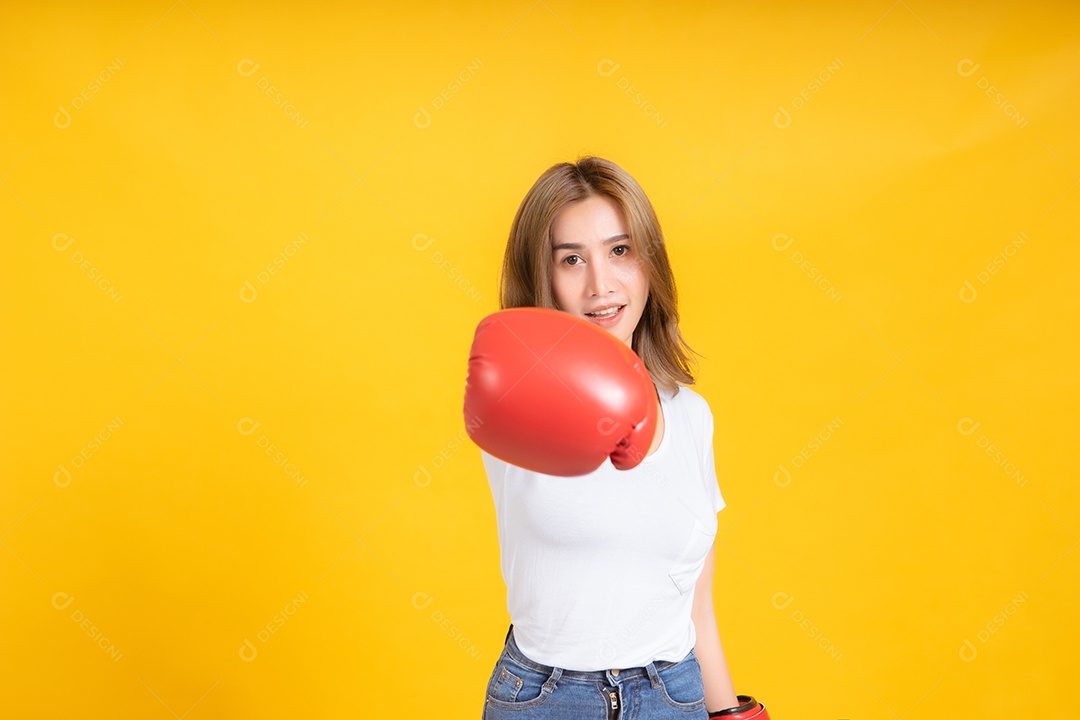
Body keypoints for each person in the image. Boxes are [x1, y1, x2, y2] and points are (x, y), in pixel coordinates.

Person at [478, 156, 741, 719]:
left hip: (675, 694)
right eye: (571, 259)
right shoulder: (515, 396)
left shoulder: (692, 416)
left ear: (650, 262)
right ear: (541, 277)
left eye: (620, 251)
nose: (602, 285)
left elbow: (698, 610)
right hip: (548, 699)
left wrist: (735, 715)